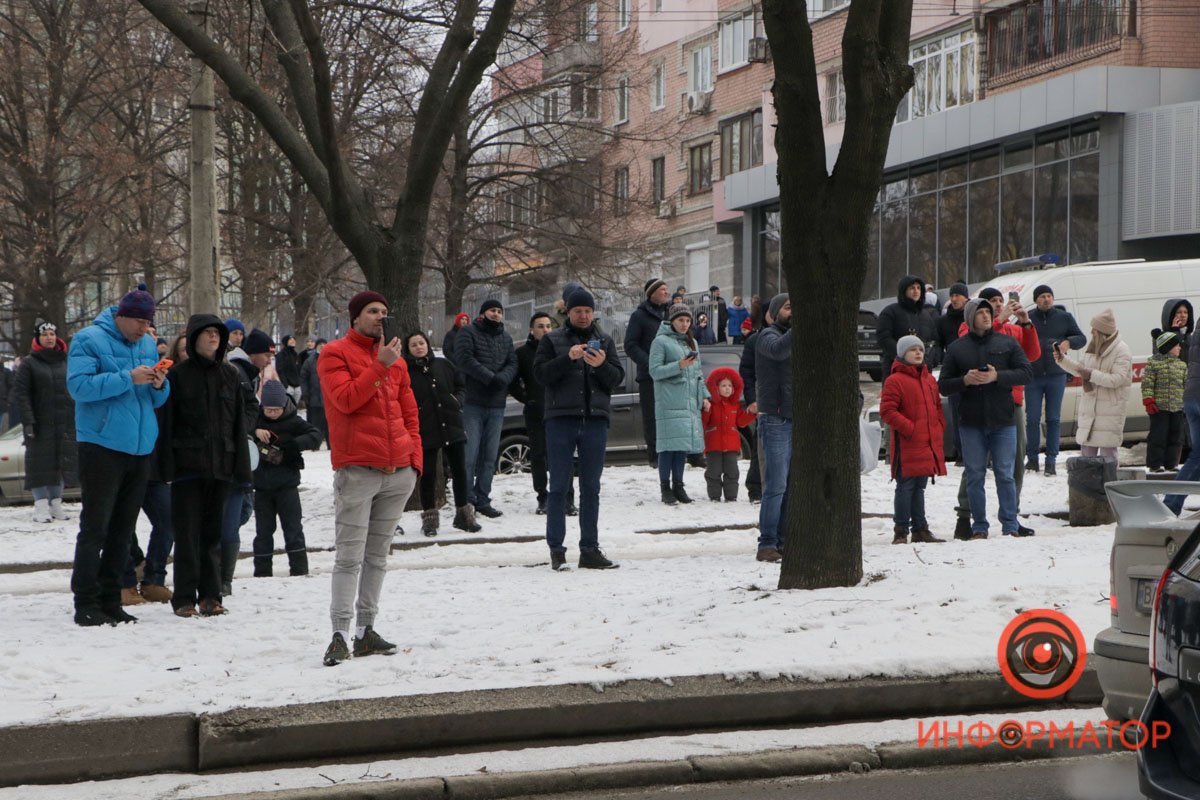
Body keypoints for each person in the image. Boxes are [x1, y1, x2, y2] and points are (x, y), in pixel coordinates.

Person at [317, 290, 422, 666]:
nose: (380, 316)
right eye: (373, 311)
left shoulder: (397, 360)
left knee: (377, 557)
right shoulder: (334, 354)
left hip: (398, 471)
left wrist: (415, 459)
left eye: (384, 311)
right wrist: (379, 366)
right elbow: (345, 400)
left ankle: (366, 630)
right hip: (358, 469)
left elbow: (410, 412)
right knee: (349, 557)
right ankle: (339, 634)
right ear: (356, 317)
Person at [67, 285, 169, 626]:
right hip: (101, 446)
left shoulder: (146, 344)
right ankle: (85, 599)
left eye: (148, 322)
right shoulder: (88, 339)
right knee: (95, 526)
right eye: (139, 321)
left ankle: (112, 598)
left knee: (123, 529)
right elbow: (78, 387)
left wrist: (158, 384)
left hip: (139, 447)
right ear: (121, 316)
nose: (144, 328)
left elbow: (156, 400)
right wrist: (127, 377)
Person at [158, 315, 252, 617]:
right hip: (188, 466)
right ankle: (184, 597)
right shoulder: (178, 376)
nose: (213, 338)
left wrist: (241, 468)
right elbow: (168, 424)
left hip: (221, 464)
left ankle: (211, 595)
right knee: (186, 534)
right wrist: (167, 468)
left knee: (214, 533)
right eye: (207, 333)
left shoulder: (230, 375)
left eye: (217, 333)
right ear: (195, 337)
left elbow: (238, 424)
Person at [533, 287, 625, 570]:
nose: (583, 316)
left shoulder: (605, 340)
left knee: (591, 487)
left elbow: (617, 379)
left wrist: (599, 366)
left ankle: (589, 549)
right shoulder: (552, 339)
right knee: (559, 486)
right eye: (578, 311)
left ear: (593, 312)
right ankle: (557, 550)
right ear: (568, 313)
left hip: (595, 419)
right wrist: (567, 358)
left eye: (587, 311)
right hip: (560, 420)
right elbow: (540, 374)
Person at [938, 299, 1033, 541]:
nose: (986, 316)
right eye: (980, 313)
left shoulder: (1007, 342)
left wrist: (996, 376)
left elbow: (1026, 372)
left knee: (1005, 473)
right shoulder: (957, 348)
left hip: (1003, 420)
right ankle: (979, 525)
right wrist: (965, 381)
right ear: (970, 319)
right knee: (975, 474)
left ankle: (1010, 522)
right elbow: (943, 386)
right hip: (971, 422)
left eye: (987, 312)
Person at [403, 331, 479, 535]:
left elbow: (461, 386)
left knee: (460, 471)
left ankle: (464, 515)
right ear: (408, 350)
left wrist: (457, 401)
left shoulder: (444, 365)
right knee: (428, 474)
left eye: (422, 343)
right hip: (425, 428)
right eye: (414, 345)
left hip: (451, 424)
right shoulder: (406, 372)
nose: (419, 347)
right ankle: (429, 519)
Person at [879, 336, 946, 545]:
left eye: (920, 349)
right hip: (907, 444)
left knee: (920, 486)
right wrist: (910, 428)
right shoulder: (895, 380)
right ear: (902, 353)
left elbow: (937, 407)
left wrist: (938, 426)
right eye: (912, 350)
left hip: (926, 443)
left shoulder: (928, 380)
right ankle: (901, 530)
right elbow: (888, 411)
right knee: (905, 486)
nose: (918, 353)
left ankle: (920, 528)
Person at [251, 379, 321, 577]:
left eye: (276, 409)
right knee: (263, 532)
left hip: (287, 486)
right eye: (268, 409)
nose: (272, 413)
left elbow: (315, 435)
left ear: (284, 406)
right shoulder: (255, 419)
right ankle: (262, 572)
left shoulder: (293, 421)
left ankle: (299, 570)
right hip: (262, 487)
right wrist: (255, 431)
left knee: (293, 529)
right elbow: (239, 430)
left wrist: (294, 444)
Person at [456, 299, 517, 518]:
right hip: (473, 401)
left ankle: (483, 498)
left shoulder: (506, 337)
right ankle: (466, 500)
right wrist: (489, 377)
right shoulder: (468, 332)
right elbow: (464, 359)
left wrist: (502, 379)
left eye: (500, 311)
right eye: (492, 310)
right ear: (483, 313)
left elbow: (513, 362)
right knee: (470, 455)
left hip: (497, 403)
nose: (496, 314)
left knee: (490, 456)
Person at [511, 312, 576, 516]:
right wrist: (527, 398)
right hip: (535, 410)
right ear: (532, 329)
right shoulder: (522, 354)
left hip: (559, 410)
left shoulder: (559, 350)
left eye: (548, 326)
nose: (546, 329)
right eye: (541, 326)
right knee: (539, 455)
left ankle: (568, 498)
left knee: (563, 455)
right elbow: (513, 383)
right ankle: (543, 497)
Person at [14, 322, 76, 524]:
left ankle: (56, 503)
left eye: (52, 334)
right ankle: (40, 505)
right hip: (40, 425)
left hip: (64, 423)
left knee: (59, 463)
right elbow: (22, 395)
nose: (49, 337)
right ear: (38, 338)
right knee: (39, 464)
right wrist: (29, 421)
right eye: (45, 334)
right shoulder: (29, 363)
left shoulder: (65, 362)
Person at [650, 304, 710, 505]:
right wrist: (679, 366)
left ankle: (679, 486)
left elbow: (699, 373)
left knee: (681, 447)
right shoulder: (660, 342)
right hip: (669, 402)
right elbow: (655, 371)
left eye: (687, 321)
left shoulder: (691, 342)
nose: (684, 324)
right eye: (680, 320)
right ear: (672, 321)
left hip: (688, 402)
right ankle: (665, 488)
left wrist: (705, 396)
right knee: (668, 447)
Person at [1055, 309, 1133, 462]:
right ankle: (1088, 486)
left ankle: (1108, 485)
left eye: (1094, 330)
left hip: (1110, 410)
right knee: (1086, 457)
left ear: (1103, 331)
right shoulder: (1093, 348)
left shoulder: (1122, 350)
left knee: (1108, 456)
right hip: (1090, 408)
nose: (1091, 332)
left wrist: (1091, 374)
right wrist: (1062, 359)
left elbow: (1117, 379)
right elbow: (1081, 370)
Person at [1025, 285, 1086, 476]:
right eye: (1042, 296)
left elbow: (1081, 338)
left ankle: (1051, 460)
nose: (1046, 299)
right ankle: (1032, 459)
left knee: (1053, 418)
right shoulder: (1028, 318)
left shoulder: (1063, 317)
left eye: (1049, 296)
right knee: (1032, 418)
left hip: (1056, 374)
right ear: (1036, 300)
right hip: (1033, 376)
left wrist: (1069, 342)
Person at [754, 294, 793, 562]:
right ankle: (766, 542)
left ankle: (782, 540)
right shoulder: (767, 336)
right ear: (775, 312)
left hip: (795, 416)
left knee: (790, 485)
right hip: (775, 418)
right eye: (789, 308)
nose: (793, 313)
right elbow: (779, 351)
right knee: (776, 485)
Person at [626, 278, 671, 466]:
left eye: (667, 289)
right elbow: (630, 345)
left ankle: (676, 455)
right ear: (651, 293)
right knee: (652, 418)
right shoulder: (639, 316)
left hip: (672, 374)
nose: (666, 293)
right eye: (662, 289)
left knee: (671, 416)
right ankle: (655, 458)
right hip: (649, 377)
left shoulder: (671, 313)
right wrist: (650, 363)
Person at [702, 367, 755, 502]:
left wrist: (751, 413)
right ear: (715, 387)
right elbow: (703, 422)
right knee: (714, 472)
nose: (727, 388)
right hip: (713, 445)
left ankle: (731, 496)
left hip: (731, 446)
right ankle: (714, 496)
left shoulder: (734, 405)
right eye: (723, 385)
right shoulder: (711, 404)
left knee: (732, 472)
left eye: (730, 386)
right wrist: (706, 410)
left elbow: (741, 422)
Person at [876, 275, 939, 378]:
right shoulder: (890, 312)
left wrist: (931, 359)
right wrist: (902, 356)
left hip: (923, 371)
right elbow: (883, 337)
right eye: (912, 288)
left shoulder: (926, 315)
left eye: (918, 288)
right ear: (903, 290)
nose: (916, 291)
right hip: (897, 370)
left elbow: (935, 341)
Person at [1143, 330, 1187, 473]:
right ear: (1168, 348)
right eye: (1176, 346)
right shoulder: (1153, 364)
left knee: (1176, 437)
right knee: (1158, 436)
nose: (1179, 348)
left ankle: (1171, 463)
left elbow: (1186, 385)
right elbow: (1147, 384)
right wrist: (1149, 401)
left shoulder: (1182, 366)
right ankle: (1155, 464)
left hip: (1177, 407)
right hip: (1159, 408)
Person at [300, 337, 328, 445]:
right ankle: (315, 443)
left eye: (324, 343)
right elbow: (303, 377)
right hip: (314, 396)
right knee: (316, 423)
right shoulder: (310, 361)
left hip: (328, 397)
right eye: (320, 344)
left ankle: (331, 445)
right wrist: (305, 393)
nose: (322, 346)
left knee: (329, 423)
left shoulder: (331, 358)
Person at [275, 334, 304, 405]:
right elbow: (280, 370)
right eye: (290, 340)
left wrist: (300, 384)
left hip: (297, 387)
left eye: (294, 339)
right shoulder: (281, 355)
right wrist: (286, 385)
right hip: (288, 387)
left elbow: (299, 370)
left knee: (294, 407)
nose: (293, 341)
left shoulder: (296, 355)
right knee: (287, 406)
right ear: (286, 342)